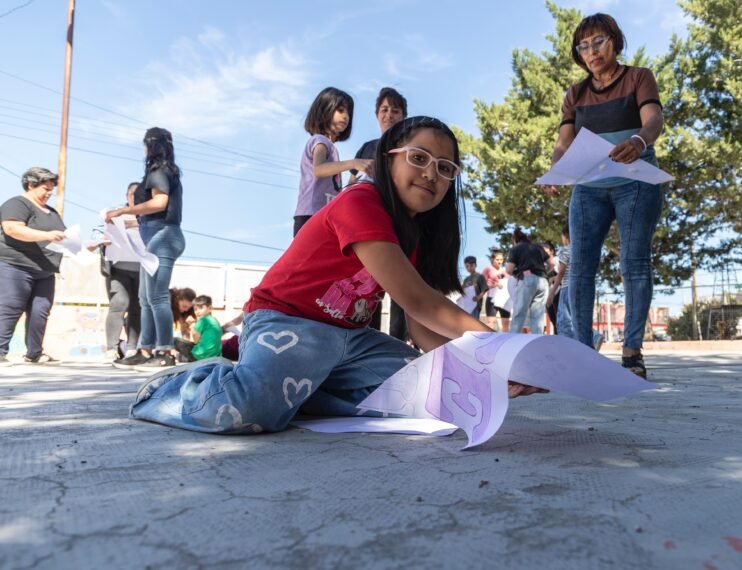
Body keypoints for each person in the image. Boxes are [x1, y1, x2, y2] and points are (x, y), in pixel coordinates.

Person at [130, 116, 544, 434]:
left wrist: (482, 372)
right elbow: (421, 303)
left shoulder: (414, 236)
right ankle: (182, 386)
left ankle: (296, 389)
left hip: (351, 341)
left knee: (433, 396)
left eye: (445, 168)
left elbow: (421, 329)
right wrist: (503, 354)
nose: (431, 173)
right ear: (388, 159)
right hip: (287, 321)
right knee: (248, 409)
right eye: (418, 158)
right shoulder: (360, 201)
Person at [544, 13, 664, 379]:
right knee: (580, 268)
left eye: (599, 42)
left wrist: (639, 141)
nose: (592, 51)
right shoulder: (575, 94)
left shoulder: (638, 77)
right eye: (583, 46)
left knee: (634, 262)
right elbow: (563, 142)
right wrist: (556, 168)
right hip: (589, 187)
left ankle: (632, 353)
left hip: (636, 181)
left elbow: (654, 119)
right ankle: (582, 353)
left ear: (615, 41)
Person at [108, 127, 185, 369]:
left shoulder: (159, 171)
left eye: (144, 145)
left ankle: (165, 351)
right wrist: (124, 222)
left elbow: (159, 203)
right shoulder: (164, 171)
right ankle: (146, 349)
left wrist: (123, 210)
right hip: (155, 236)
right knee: (145, 298)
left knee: (157, 296)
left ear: (151, 145)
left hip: (163, 237)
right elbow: (153, 214)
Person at [350, 87, 410, 339]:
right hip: (369, 227)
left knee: (401, 289)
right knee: (368, 288)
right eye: (384, 110)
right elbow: (351, 185)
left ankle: (399, 347)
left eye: (395, 110)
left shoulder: (410, 148)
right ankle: (367, 344)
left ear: (404, 116)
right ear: (377, 115)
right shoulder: (367, 147)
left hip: (401, 226)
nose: (389, 115)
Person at [0, 167, 65, 365]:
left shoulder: (52, 212)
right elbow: (12, 229)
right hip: (16, 266)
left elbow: (62, 236)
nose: (49, 193)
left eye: (51, 189)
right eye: (45, 189)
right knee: (10, 308)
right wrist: (47, 235)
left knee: (40, 311)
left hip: (45, 270)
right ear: (31, 185)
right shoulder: (17, 204)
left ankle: (34, 353)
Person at [294, 87, 371, 236]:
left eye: (348, 113)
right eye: (340, 110)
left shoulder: (331, 147)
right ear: (325, 110)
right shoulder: (320, 141)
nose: (346, 116)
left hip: (323, 213)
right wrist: (354, 163)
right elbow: (319, 169)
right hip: (311, 213)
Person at [101, 182, 141, 362]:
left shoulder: (150, 215)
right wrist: (102, 239)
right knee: (118, 304)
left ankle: (132, 348)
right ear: (127, 196)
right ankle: (111, 348)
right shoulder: (115, 212)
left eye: (140, 194)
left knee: (137, 309)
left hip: (142, 269)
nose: (136, 197)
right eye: (133, 194)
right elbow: (99, 230)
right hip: (118, 268)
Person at [505, 228, 550, 334]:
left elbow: (509, 269)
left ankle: (513, 339)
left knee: (519, 312)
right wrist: (544, 272)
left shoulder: (516, 248)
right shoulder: (538, 247)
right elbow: (552, 263)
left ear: (514, 239)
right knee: (538, 315)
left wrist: (516, 274)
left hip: (527, 279)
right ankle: (538, 340)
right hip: (543, 281)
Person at [173, 295, 223, 363]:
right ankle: (183, 357)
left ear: (210, 308)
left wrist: (192, 325)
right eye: (195, 309)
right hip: (215, 357)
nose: (198, 311)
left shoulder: (203, 320)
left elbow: (196, 340)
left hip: (200, 356)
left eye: (201, 308)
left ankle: (183, 358)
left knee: (175, 340)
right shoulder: (215, 320)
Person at [482, 249, 510, 331]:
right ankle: (489, 338)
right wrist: (495, 285)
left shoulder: (505, 271)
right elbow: (482, 284)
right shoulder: (487, 269)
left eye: (501, 259)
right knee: (490, 323)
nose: (499, 262)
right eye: (497, 259)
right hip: (491, 298)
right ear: (492, 259)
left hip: (504, 300)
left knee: (506, 323)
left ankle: (506, 338)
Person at [462, 255, 488, 320]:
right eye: (467, 266)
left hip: (475, 305)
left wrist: (478, 297)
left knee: (474, 321)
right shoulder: (466, 279)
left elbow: (484, 289)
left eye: (471, 265)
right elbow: (463, 291)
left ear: (475, 265)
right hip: (467, 305)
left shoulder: (480, 277)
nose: (469, 268)